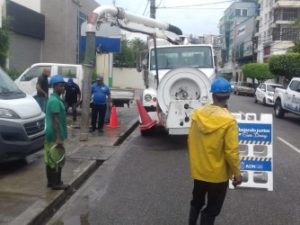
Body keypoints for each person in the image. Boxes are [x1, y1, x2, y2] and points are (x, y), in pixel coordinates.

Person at [187, 77, 242, 225]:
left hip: (199, 171)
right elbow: (231, 151)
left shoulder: (198, 115)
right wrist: (237, 174)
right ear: (228, 96)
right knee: (212, 209)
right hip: (218, 176)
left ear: (212, 95)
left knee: (196, 202)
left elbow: (191, 140)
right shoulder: (229, 121)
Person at [44, 74, 68, 190]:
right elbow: (56, 120)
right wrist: (58, 137)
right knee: (57, 159)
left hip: (51, 134)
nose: (63, 88)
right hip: (54, 135)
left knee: (50, 159)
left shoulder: (55, 99)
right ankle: (56, 183)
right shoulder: (54, 101)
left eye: (63, 85)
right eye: (60, 85)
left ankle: (51, 182)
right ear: (54, 87)